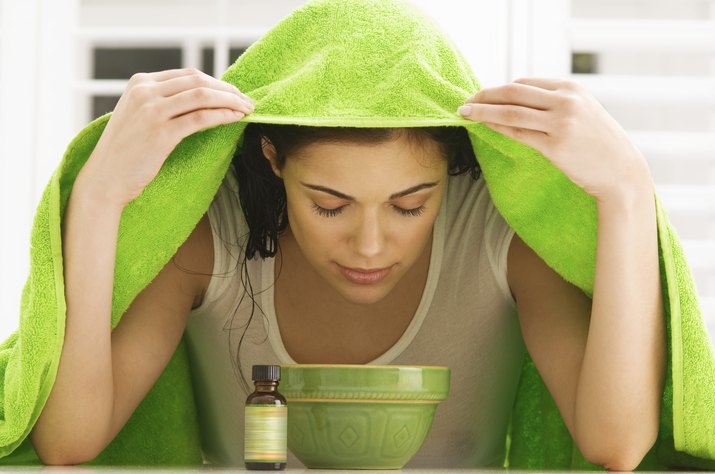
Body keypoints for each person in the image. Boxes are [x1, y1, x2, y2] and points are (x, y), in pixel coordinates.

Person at [25, 13, 667, 470]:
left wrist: (629, 194)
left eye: (410, 205)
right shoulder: (211, 238)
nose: (369, 245)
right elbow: (69, 445)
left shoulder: (499, 234)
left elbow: (616, 446)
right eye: (329, 205)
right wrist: (98, 196)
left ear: (452, 168)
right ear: (273, 159)